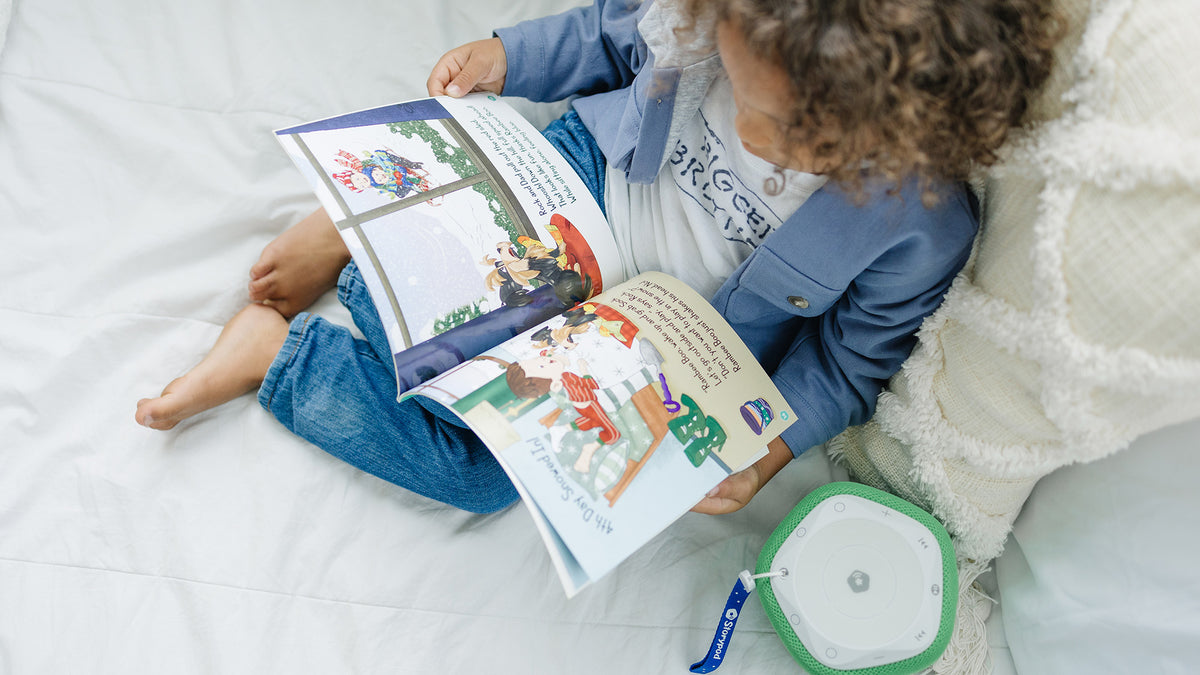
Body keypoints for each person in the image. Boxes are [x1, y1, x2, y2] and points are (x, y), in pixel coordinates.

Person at [135, 0, 1060, 516]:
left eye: (781, 132)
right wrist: (507, 56)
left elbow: (849, 365)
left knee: (482, 476)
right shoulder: (718, 23)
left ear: (905, 131)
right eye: (738, 89)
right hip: (577, 194)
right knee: (442, 306)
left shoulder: (922, 226)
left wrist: (773, 448)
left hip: (657, 345)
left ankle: (283, 358)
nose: (742, 124)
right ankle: (368, 231)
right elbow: (613, 35)